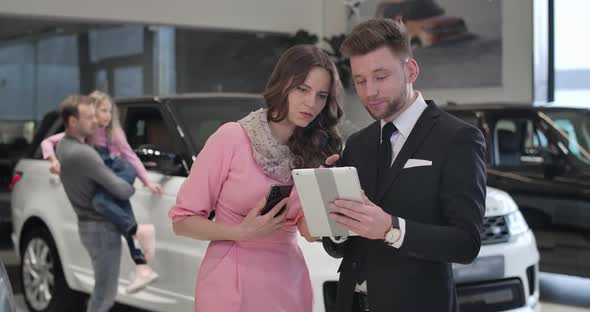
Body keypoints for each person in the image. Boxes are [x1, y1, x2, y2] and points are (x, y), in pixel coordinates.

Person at [321, 18, 487, 312]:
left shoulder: (458, 139)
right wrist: (333, 217)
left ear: (410, 70)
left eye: (380, 76)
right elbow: (342, 246)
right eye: (360, 81)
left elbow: (466, 243)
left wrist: (391, 229)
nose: (369, 91)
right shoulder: (358, 144)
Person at [168, 44, 344, 312]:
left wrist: (333, 198)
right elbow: (182, 221)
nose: (311, 103)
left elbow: (307, 230)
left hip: (288, 281)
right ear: (282, 84)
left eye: (321, 95)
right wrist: (241, 232)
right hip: (231, 282)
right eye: (302, 89)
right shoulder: (231, 138)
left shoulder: (318, 151)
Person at [42, 91, 160, 293]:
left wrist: (146, 180)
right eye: (100, 111)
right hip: (108, 178)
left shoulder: (114, 134)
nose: (105, 116)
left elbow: (130, 157)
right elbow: (48, 142)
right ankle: (142, 266)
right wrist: (52, 160)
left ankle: (141, 242)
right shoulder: (87, 136)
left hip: (120, 172)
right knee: (124, 219)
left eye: (109, 111)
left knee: (105, 206)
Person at [55, 95, 135, 312]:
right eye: (89, 117)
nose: (95, 121)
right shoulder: (84, 154)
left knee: (102, 292)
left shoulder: (63, 146)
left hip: (90, 226)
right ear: (72, 122)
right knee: (105, 295)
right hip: (101, 228)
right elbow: (121, 189)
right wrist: (131, 181)